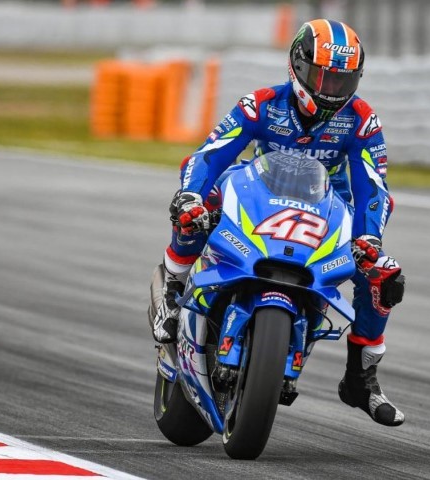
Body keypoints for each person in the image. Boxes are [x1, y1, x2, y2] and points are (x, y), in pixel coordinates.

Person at [148, 19, 406, 427]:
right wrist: (191, 195)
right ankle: (174, 287)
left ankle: (361, 378)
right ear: (298, 68)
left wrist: (369, 239)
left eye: (342, 81)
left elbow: (374, 187)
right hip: (259, 195)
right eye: (323, 77)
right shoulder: (261, 104)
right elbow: (209, 154)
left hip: (325, 209)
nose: (330, 90)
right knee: (198, 204)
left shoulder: (360, 120)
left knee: (383, 275)